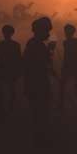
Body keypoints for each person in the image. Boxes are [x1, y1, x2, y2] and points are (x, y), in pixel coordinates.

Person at [23, 17, 57, 145]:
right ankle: (39, 137)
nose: (48, 34)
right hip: (38, 82)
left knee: (38, 110)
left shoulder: (33, 44)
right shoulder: (36, 45)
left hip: (35, 81)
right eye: (46, 31)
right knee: (40, 110)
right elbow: (44, 63)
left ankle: (39, 136)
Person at [0, 25, 22, 114]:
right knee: (10, 89)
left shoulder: (0, 44)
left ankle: (2, 107)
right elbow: (18, 58)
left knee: (2, 89)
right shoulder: (16, 45)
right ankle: (9, 108)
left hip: (3, 68)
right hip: (10, 68)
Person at [59, 24, 77, 110]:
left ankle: (62, 104)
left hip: (67, 65)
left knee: (63, 85)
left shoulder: (65, 42)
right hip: (75, 65)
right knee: (75, 84)